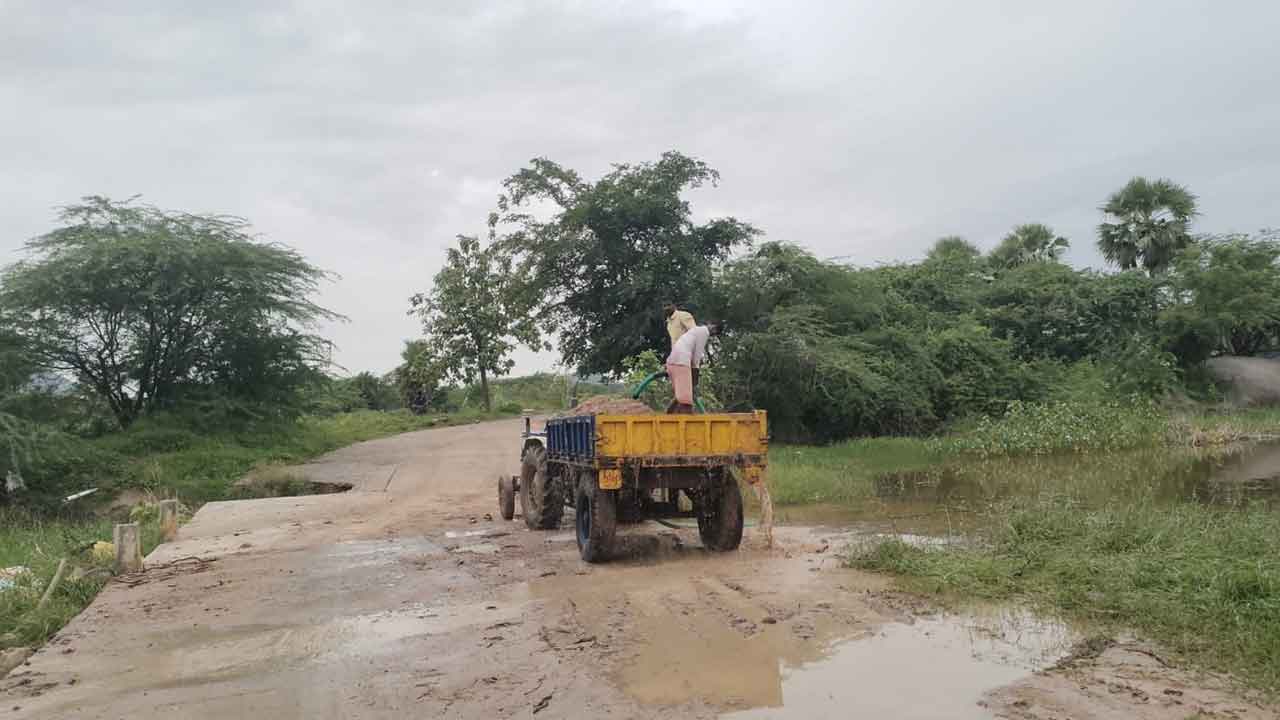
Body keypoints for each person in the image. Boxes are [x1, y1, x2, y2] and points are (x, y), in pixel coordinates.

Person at [666, 321, 720, 413]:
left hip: (673, 361)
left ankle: (669, 415)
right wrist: (695, 375)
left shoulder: (695, 330)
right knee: (686, 402)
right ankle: (685, 422)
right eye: (714, 332)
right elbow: (696, 357)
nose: (712, 333)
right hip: (681, 362)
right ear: (713, 328)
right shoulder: (704, 332)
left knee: (681, 396)